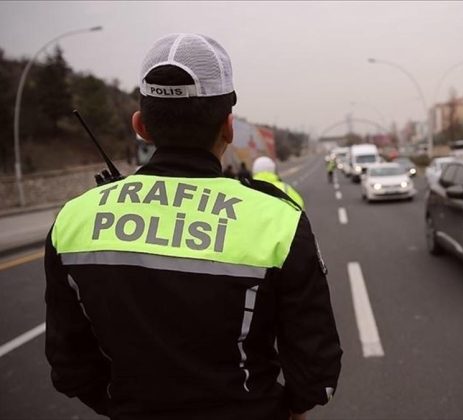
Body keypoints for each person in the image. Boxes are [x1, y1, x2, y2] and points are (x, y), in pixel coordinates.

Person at [45, 33, 341, 420]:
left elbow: (70, 368)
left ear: (141, 125)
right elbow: (316, 375)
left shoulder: (73, 220)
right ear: (228, 127)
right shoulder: (278, 221)